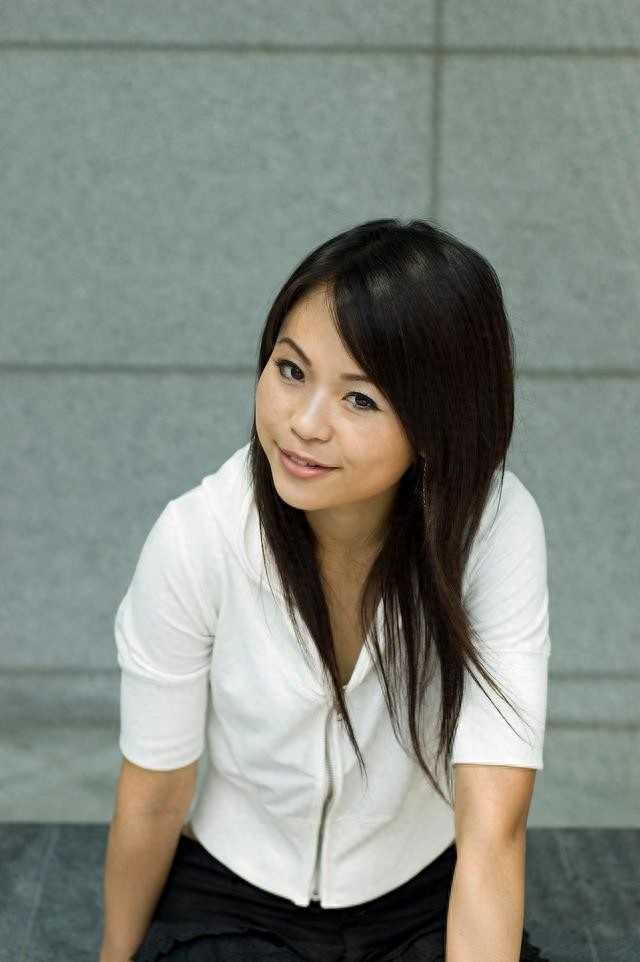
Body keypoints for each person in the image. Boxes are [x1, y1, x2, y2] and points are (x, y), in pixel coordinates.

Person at [99, 219, 552, 962]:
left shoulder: (492, 528)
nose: (304, 424)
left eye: (360, 400)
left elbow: (494, 827)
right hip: (235, 891)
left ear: (438, 423)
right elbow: (153, 795)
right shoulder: (199, 535)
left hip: (420, 891)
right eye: (290, 370)